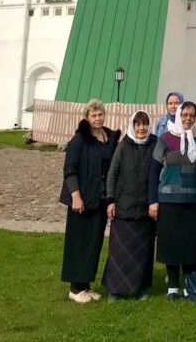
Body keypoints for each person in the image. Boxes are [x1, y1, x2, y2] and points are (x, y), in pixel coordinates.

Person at [149, 101, 196, 299]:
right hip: (168, 200)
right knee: (171, 242)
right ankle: (172, 287)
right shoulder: (165, 139)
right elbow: (153, 172)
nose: (187, 119)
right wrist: (153, 200)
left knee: (190, 243)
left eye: (191, 115)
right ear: (179, 115)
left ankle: (188, 284)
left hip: (195, 199)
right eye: (184, 114)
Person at [59, 99, 120, 303]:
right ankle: (75, 288)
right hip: (83, 200)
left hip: (100, 199)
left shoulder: (108, 137)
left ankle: (85, 285)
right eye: (93, 115)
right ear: (87, 117)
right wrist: (76, 196)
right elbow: (70, 170)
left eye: (100, 114)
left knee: (94, 243)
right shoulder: (79, 140)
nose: (97, 118)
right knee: (80, 243)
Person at [103, 111, 158, 301]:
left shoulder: (155, 144)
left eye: (144, 124)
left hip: (145, 208)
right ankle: (115, 290)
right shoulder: (123, 145)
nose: (141, 128)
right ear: (132, 126)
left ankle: (140, 288)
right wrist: (110, 200)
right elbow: (112, 173)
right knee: (119, 253)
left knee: (142, 252)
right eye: (138, 124)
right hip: (124, 206)